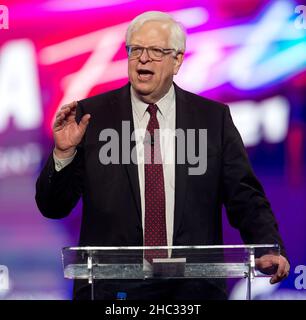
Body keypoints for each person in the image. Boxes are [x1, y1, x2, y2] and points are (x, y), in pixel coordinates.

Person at [35, 11, 290, 300]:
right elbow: (52, 207)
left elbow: (244, 195)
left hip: (192, 293)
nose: (143, 59)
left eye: (155, 51)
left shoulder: (211, 119)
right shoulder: (90, 117)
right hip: (112, 292)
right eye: (136, 50)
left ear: (178, 60)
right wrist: (63, 153)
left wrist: (267, 247)